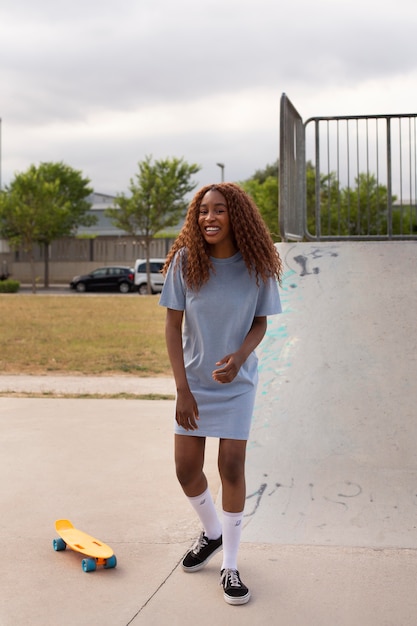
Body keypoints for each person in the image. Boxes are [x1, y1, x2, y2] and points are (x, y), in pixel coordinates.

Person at [159, 182, 282, 605]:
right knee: (185, 470)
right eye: (202, 211)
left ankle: (230, 565)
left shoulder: (257, 266)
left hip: (237, 385)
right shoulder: (184, 262)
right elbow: (173, 328)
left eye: (219, 211)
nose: (209, 218)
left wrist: (239, 355)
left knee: (231, 464)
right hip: (192, 385)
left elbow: (261, 323)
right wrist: (182, 390)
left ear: (237, 217)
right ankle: (210, 533)